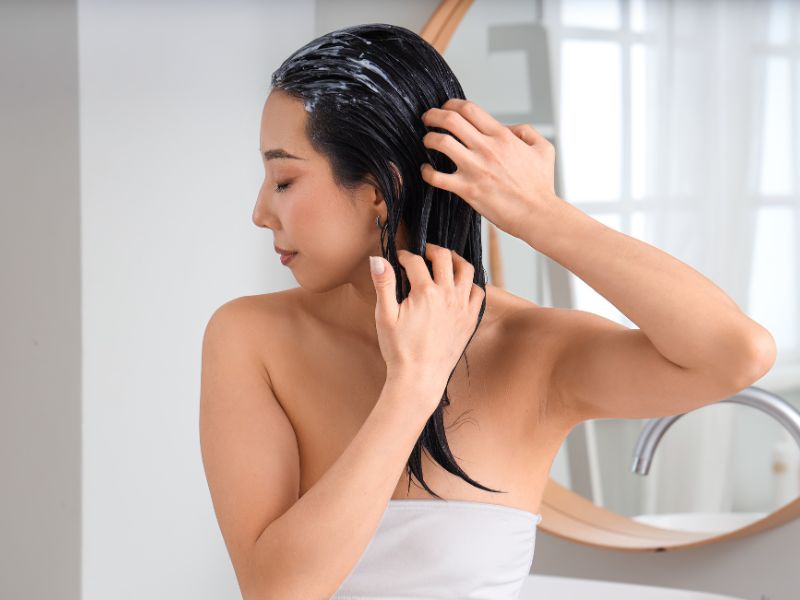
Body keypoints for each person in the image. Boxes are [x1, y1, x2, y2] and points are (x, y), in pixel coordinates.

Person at [199, 23, 776, 600]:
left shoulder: (529, 350)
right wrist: (412, 387)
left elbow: (735, 355)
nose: (260, 212)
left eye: (283, 179)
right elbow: (277, 590)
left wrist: (538, 212)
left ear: (379, 187)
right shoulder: (251, 337)